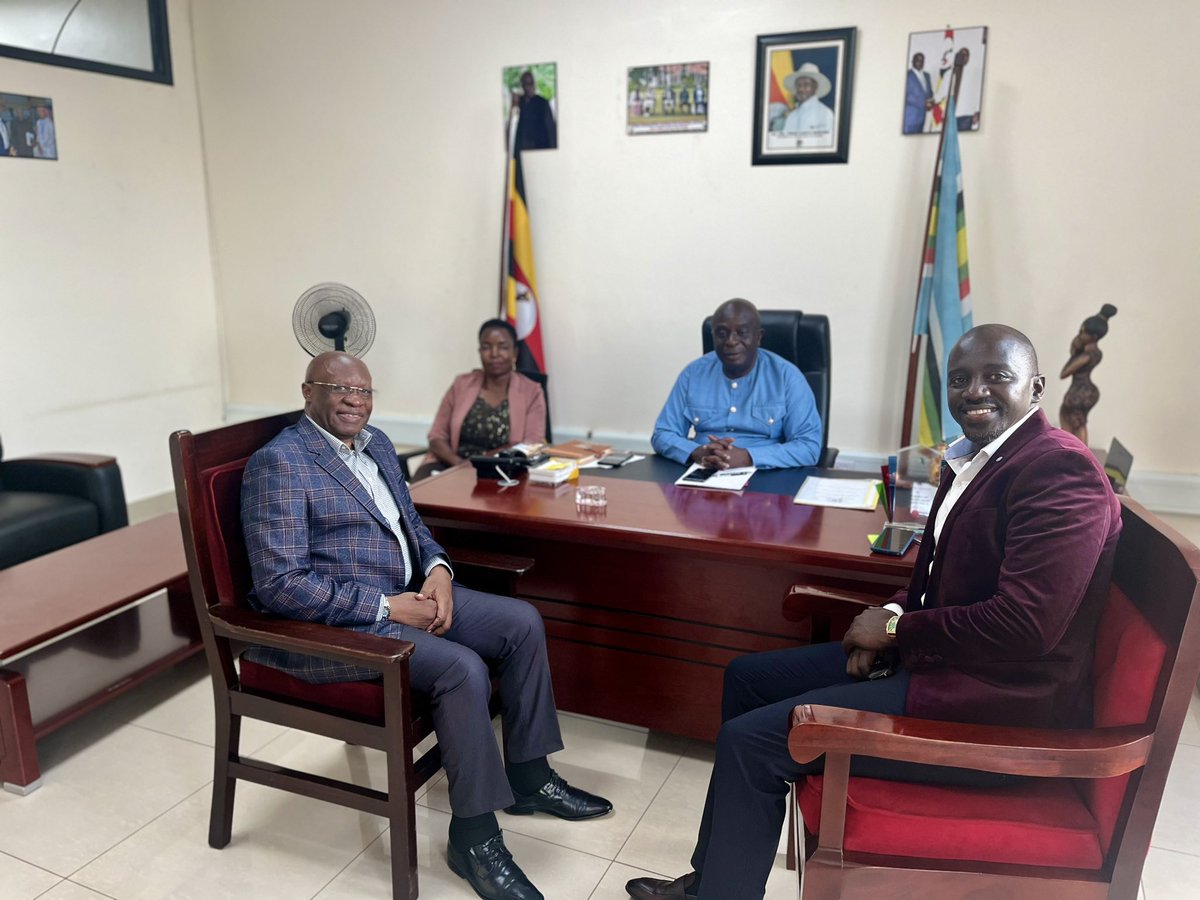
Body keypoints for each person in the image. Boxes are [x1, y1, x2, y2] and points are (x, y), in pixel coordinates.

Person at [628, 324, 1122, 900]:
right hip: (947, 665)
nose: (975, 391)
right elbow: (938, 580)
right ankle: (711, 881)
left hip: (998, 700)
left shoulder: (1058, 470)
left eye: (997, 377)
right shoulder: (978, 456)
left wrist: (895, 631)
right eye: (960, 379)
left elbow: (1027, 625)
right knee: (746, 679)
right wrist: (892, 614)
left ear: (1036, 388)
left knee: (751, 743)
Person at [242, 351, 611, 900]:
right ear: (307, 392)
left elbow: (412, 526)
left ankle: (530, 778)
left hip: (413, 593)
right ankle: (475, 840)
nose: (354, 400)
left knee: (522, 622)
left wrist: (438, 570)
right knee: (462, 671)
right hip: (341, 624)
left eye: (364, 391)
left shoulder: (379, 445)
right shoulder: (281, 462)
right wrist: (388, 607)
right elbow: (280, 585)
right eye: (338, 388)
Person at [651, 299, 822, 470]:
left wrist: (748, 457)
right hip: (703, 472)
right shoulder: (693, 373)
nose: (731, 341)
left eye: (742, 333)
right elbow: (663, 433)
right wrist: (697, 452)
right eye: (722, 333)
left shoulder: (787, 376)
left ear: (759, 337)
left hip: (764, 475)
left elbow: (809, 447)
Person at [414, 318, 546, 480]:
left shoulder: (531, 391)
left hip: (503, 471)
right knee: (413, 499)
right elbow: (436, 436)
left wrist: (486, 468)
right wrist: (460, 465)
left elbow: (532, 444)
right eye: (486, 347)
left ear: (515, 353)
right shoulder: (461, 384)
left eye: (503, 347)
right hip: (450, 464)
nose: (494, 354)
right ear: (479, 351)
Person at [1060, 304, 1118, 446]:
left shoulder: (1087, 355)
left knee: (1075, 422)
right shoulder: (1095, 353)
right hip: (1085, 390)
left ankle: (1080, 455)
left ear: (1093, 337)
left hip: (1080, 391)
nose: (1079, 335)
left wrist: (1074, 351)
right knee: (1075, 420)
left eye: (1082, 333)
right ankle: (1073, 453)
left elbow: (1065, 372)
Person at [780, 63, 835, 145]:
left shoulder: (826, 114)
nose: (801, 89)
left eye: (806, 84)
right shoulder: (792, 116)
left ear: (815, 87)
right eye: (799, 85)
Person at [513, 70, 557, 150]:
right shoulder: (519, 103)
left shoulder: (543, 103)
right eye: (525, 84)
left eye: (530, 83)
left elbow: (550, 130)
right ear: (522, 85)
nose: (528, 87)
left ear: (534, 84)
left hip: (540, 146)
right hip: (522, 147)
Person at [903, 52, 933, 134]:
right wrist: (923, 103)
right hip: (909, 119)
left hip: (922, 118)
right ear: (912, 61)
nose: (920, 62)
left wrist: (931, 102)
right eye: (918, 60)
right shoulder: (906, 75)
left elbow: (929, 92)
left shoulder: (927, 75)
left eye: (922, 60)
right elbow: (905, 95)